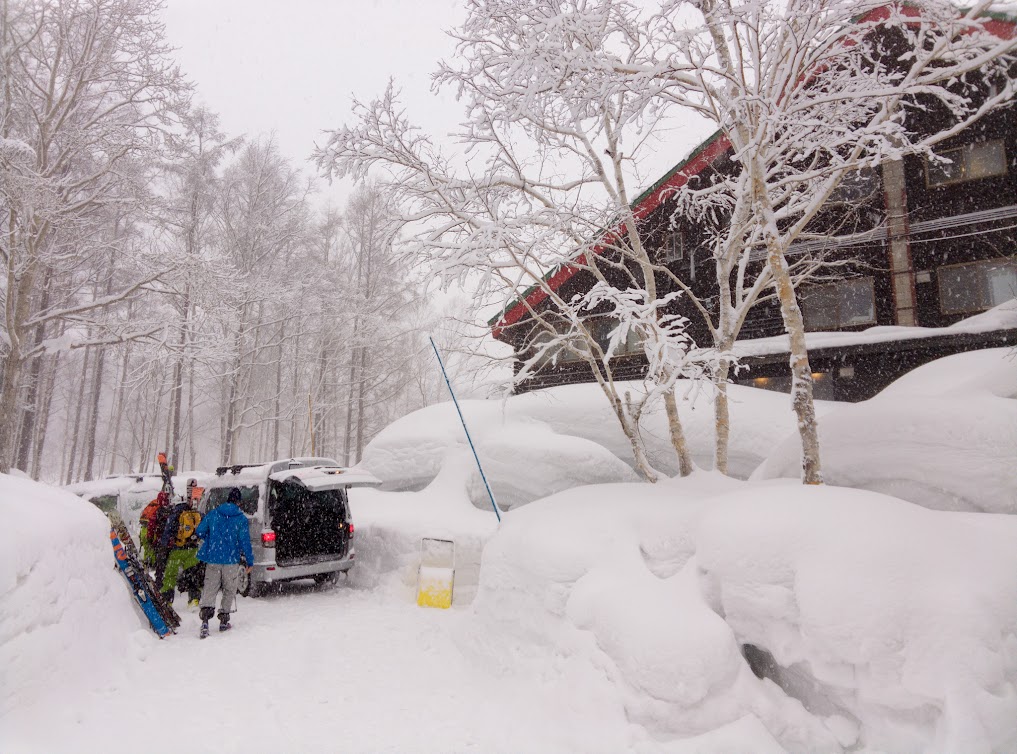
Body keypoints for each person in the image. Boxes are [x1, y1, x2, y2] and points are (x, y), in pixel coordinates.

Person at [195, 488, 254, 638]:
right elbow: (245, 541)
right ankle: (223, 620)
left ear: (227, 499)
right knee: (229, 589)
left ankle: (205, 623)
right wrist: (249, 560)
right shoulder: (241, 519)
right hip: (231, 560)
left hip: (213, 558)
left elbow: (200, 531)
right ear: (239, 502)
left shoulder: (214, 514)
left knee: (210, 588)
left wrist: (212, 537)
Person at [157, 493, 203, 607]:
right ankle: (194, 599)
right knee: (192, 574)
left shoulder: (174, 515)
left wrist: (163, 547)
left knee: (170, 575)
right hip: (192, 549)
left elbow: (167, 533)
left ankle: (167, 600)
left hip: (177, 550)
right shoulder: (195, 514)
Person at [139, 491, 170, 569]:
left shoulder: (152, 504)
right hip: (151, 531)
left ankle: (147, 564)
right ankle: (152, 566)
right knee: (153, 549)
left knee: (147, 549)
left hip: (143, 529)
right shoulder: (160, 508)